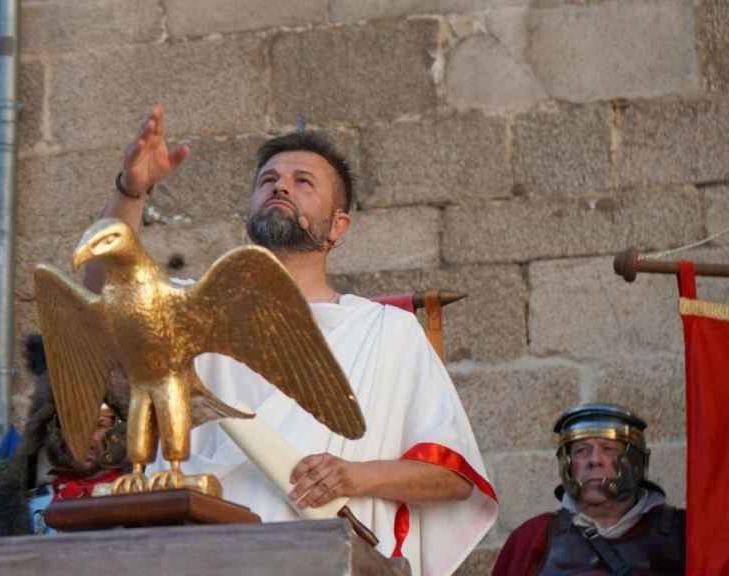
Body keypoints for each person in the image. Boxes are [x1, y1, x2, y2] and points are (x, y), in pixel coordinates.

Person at [83, 105, 498, 576]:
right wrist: (131, 190)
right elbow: (105, 287)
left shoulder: (387, 331)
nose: (280, 187)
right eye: (268, 180)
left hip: (326, 558)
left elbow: (452, 477)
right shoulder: (189, 308)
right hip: (199, 555)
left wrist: (352, 476)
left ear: (338, 226)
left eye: (304, 182)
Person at [492, 403, 686, 575]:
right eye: (581, 451)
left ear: (635, 461)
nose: (594, 460)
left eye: (609, 449)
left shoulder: (685, 534)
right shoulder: (532, 538)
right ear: (567, 464)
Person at [0, 335, 129, 538]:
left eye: (98, 425)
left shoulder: (142, 493)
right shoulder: (14, 503)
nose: (82, 438)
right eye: (70, 425)